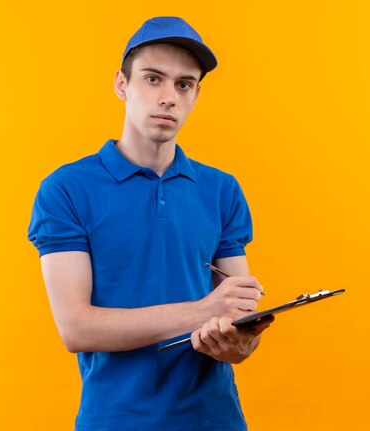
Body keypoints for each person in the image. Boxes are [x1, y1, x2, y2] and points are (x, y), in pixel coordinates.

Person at [28, 16, 272, 431]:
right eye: (153, 78)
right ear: (122, 85)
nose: (169, 97)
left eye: (184, 84)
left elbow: (236, 318)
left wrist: (238, 342)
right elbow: (76, 327)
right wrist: (202, 311)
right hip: (115, 420)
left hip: (216, 419)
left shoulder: (222, 190)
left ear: (195, 96)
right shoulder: (66, 189)